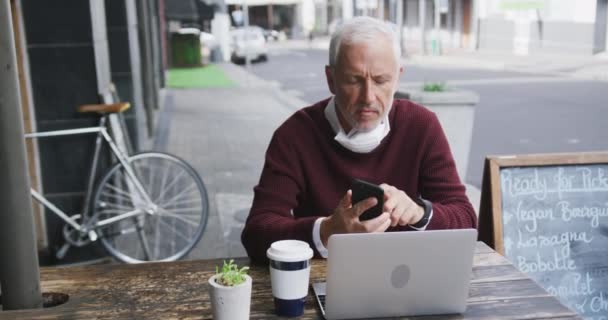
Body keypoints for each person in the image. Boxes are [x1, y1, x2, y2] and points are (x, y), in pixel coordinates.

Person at [241, 16, 477, 263]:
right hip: (325, 279)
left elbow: (467, 220)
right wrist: (326, 231)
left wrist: (419, 213)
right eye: (354, 80)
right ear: (331, 80)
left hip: (406, 277)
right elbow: (257, 233)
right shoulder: (294, 135)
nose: (368, 97)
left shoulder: (421, 125)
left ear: (397, 78)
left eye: (380, 80)